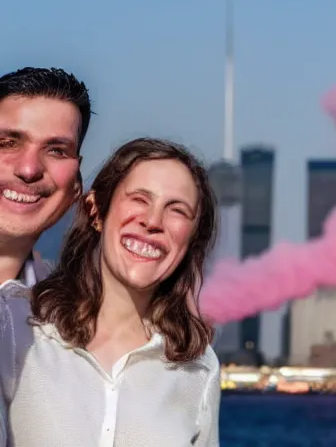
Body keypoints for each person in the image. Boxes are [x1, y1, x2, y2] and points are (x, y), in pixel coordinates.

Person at [0, 138, 220, 446]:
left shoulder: (199, 367)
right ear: (96, 211)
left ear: (192, 240)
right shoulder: (13, 324)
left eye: (177, 210)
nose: (152, 221)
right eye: (139, 199)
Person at [0, 67, 91, 289]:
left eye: (57, 151)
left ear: (76, 185)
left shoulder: (63, 315)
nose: (29, 169)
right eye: (7, 144)